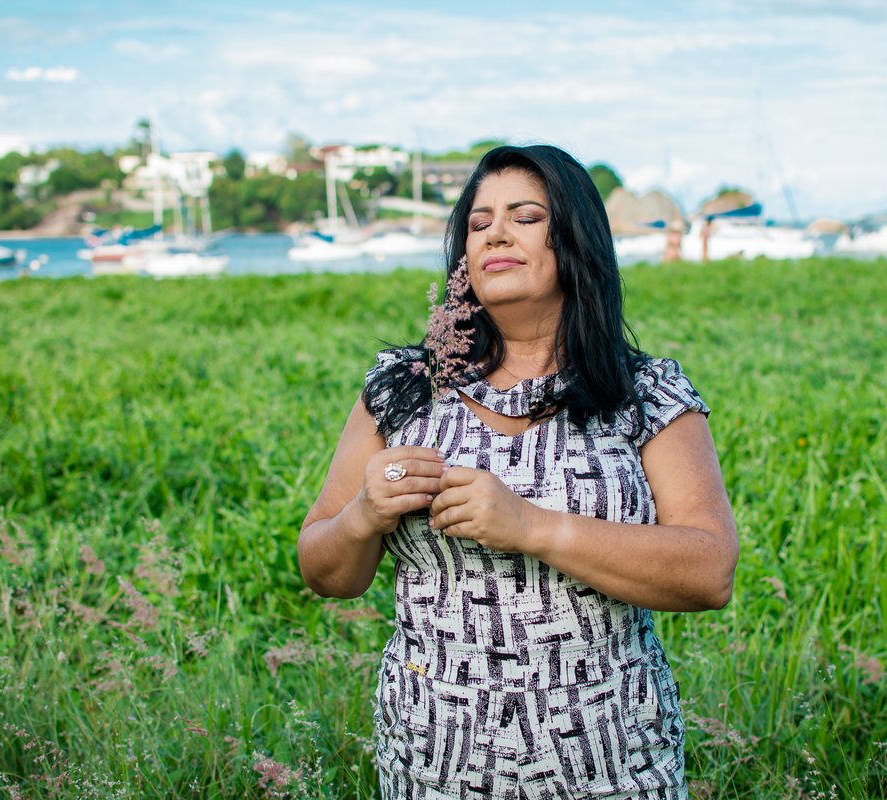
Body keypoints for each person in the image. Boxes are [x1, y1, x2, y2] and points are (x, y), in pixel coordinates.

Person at [298, 144, 738, 800]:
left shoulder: (646, 393)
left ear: (575, 239)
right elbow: (321, 570)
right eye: (478, 224)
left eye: (525, 216)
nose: (496, 233)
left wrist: (533, 527)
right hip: (431, 768)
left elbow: (711, 573)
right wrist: (364, 515)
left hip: (609, 768)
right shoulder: (403, 390)